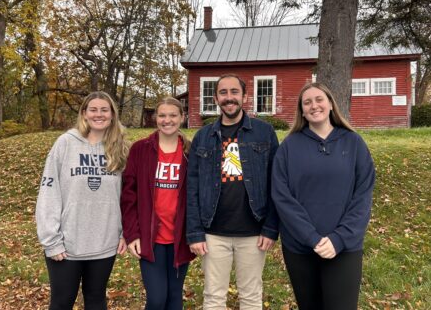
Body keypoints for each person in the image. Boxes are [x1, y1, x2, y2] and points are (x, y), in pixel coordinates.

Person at [271, 82, 376, 310]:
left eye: (319, 99)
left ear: (330, 104)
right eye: (307, 102)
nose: (314, 105)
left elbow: (363, 196)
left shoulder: (353, 142)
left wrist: (339, 239)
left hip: (344, 247)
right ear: (301, 110)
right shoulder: (289, 147)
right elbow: (282, 197)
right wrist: (312, 238)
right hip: (300, 247)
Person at [187, 74, 279, 309]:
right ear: (216, 98)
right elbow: (193, 187)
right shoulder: (203, 137)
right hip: (213, 232)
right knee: (214, 297)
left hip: (253, 232)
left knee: (251, 295)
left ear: (245, 96)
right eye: (223, 93)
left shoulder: (264, 132)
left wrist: (270, 228)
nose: (229, 98)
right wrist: (195, 232)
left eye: (234, 92)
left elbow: (276, 183)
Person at [36, 91, 128, 310]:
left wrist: (125, 232)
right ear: (84, 114)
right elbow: (49, 191)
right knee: (61, 302)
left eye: (104, 110)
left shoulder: (120, 148)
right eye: (93, 110)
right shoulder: (65, 144)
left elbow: (127, 196)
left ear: (112, 115)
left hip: (104, 242)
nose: (99, 114)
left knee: (96, 299)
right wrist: (51, 240)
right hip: (67, 244)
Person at [121, 97, 195, 310]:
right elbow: (128, 196)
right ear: (155, 118)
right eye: (162, 115)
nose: (167, 120)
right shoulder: (141, 149)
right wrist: (132, 234)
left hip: (180, 238)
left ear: (182, 117)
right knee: (156, 299)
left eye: (173, 115)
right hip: (149, 238)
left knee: (174, 299)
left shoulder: (191, 152)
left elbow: (199, 195)